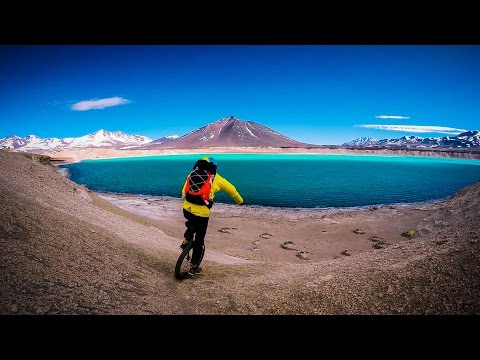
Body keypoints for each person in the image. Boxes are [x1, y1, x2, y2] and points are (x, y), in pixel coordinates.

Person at [181, 156, 243, 276]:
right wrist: (240, 201)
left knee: (191, 224)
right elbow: (232, 190)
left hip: (186, 209)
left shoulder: (192, 174)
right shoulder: (216, 178)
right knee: (199, 240)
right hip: (202, 213)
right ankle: (193, 267)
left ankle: (186, 240)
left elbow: (184, 191)